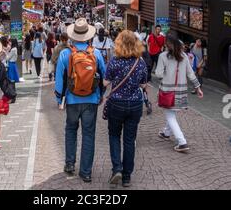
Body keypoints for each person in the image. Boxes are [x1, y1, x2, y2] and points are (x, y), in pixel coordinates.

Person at [55, 18, 106, 183]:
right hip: (91, 99)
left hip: (71, 99)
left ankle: (70, 164)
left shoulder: (65, 53)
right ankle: (86, 172)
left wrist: (59, 98)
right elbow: (103, 76)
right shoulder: (96, 53)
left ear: (73, 36)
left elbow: (59, 80)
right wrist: (100, 94)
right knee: (88, 134)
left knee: (70, 130)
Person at [103, 31, 147, 187]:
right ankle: (127, 176)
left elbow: (105, 83)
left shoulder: (114, 62)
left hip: (117, 103)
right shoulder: (140, 62)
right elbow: (143, 85)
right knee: (129, 139)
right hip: (135, 104)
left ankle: (117, 169)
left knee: (114, 135)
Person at [156, 33, 203, 153]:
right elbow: (190, 73)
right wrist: (198, 87)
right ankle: (166, 133)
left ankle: (182, 142)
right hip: (181, 91)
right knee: (171, 112)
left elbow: (158, 74)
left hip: (168, 90)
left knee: (170, 115)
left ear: (166, 44)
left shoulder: (163, 56)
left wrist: (166, 73)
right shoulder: (184, 56)